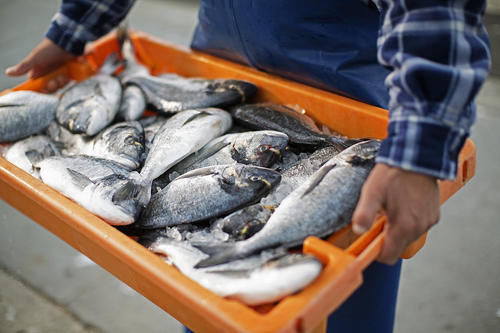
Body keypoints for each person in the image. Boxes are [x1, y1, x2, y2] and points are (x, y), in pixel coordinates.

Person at [6, 1, 490, 332]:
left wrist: (421, 149)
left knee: (338, 302)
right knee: (217, 311)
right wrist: (74, 29)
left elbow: (433, 12)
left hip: (352, 101)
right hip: (220, 72)